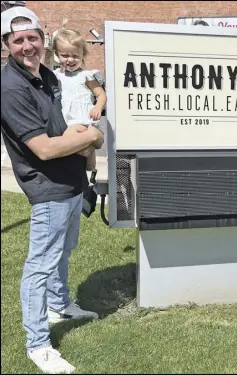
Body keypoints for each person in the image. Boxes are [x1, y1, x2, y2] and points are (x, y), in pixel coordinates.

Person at [1, 7, 104, 373]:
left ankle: (60, 305)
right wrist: (91, 138)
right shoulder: (11, 88)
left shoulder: (47, 76)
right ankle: (38, 344)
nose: (27, 46)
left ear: (43, 39)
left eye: (33, 38)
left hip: (72, 180)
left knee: (65, 249)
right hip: (48, 188)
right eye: (18, 40)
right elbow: (44, 148)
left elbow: (60, 128)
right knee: (39, 265)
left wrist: (82, 145)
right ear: (6, 45)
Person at [52, 19, 107, 172]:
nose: (70, 60)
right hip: (65, 119)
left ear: (83, 54)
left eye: (75, 56)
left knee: (76, 146)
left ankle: (91, 166)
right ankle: (86, 165)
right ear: (57, 55)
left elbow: (101, 94)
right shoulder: (55, 76)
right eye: (65, 55)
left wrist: (98, 107)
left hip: (82, 119)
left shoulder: (86, 76)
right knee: (75, 153)